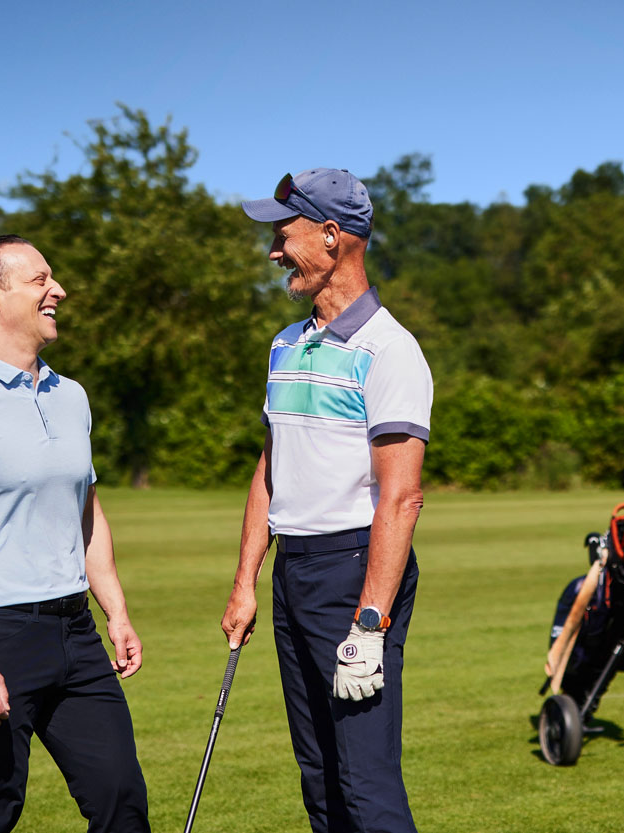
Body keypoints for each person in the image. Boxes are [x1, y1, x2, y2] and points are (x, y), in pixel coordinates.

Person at [0, 235, 150, 833]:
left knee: (121, 800)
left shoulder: (72, 397)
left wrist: (114, 611)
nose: (58, 290)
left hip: (75, 634)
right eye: (40, 280)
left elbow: (86, 514)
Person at [221, 170, 433, 833]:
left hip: (354, 572)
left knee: (366, 783)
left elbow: (400, 499)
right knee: (320, 781)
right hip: (296, 572)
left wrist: (369, 624)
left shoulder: (390, 350)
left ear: (332, 236)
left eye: (284, 236)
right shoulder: (286, 342)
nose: (275, 251)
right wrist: (245, 582)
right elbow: (271, 462)